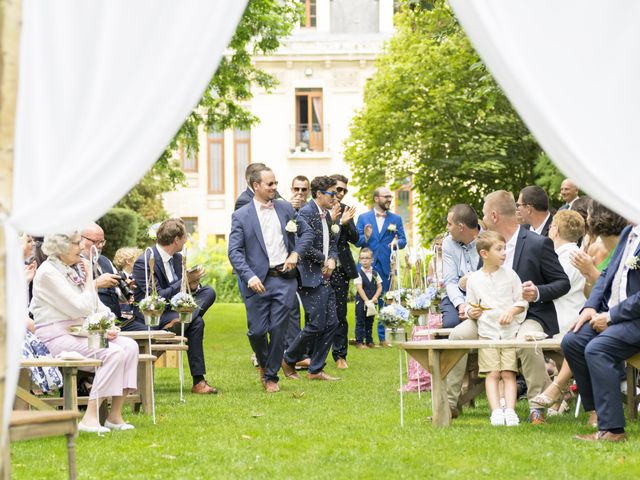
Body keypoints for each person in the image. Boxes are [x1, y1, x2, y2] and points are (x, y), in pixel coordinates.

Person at [445, 190, 570, 423]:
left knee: (527, 341)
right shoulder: (483, 245)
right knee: (457, 336)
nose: (480, 219)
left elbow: (563, 283)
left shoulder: (538, 243)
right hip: (487, 317)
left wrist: (538, 292)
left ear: (493, 215)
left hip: (528, 313)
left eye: (483, 213)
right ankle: (449, 404)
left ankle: (536, 407)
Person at [30, 232, 139, 433]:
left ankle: (115, 416)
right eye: (76, 243)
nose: (81, 247)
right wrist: (90, 278)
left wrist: (109, 324)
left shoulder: (70, 269)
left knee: (130, 346)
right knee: (112, 353)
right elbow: (79, 308)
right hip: (55, 337)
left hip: (80, 332)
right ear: (60, 247)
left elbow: (96, 306)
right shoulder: (48, 273)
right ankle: (90, 417)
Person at [228, 165, 311, 392]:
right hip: (256, 282)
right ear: (256, 186)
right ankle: (264, 364)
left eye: (275, 183)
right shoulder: (241, 215)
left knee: (278, 329)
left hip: (283, 279)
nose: (275, 187)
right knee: (256, 331)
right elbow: (234, 251)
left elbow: (307, 233)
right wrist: (249, 276)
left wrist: (296, 253)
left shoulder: (285, 208)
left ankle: (272, 377)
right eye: (270, 184)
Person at [562, 222, 640, 442]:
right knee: (573, 341)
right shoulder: (629, 231)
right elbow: (607, 274)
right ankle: (597, 415)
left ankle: (613, 430)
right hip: (614, 314)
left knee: (597, 349)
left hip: (633, 319)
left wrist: (611, 316)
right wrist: (590, 307)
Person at [131, 218, 218, 394]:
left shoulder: (178, 258)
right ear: (177, 239)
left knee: (208, 292)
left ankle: (182, 321)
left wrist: (193, 285)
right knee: (197, 323)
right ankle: (198, 382)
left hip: (176, 311)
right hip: (155, 313)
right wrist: (184, 280)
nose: (186, 240)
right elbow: (156, 297)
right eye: (185, 237)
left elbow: (183, 291)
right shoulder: (145, 261)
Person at [282, 176, 341, 381]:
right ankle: (288, 358)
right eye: (332, 193)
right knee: (316, 324)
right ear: (319, 194)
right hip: (308, 276)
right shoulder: (305, 214)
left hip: (326, 275)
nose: (336, 197)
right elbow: (302, 246)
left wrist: (332, 259)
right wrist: (324, 260)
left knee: (332, 323)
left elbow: (333, 242)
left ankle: (315, 369)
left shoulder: (328, 215)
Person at [466, 231, 528, 426]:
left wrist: (511, 311)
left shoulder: (511, 275)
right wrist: (471, 312)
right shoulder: (474, 279)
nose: (504, 253)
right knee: (492, 373)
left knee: (509, 373)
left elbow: (522, 301)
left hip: (509, 334)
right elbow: (470, 304)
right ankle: (496, 412)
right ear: (484, 254)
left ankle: (510, 411)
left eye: (504, 248)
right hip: (487, 334)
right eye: (499, 249)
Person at [531, 210, 586, 414]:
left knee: (532, 342)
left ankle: (557, 391)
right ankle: (561, 393)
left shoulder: (565, 257)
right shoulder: (576, 253)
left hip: (566, 316)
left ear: (554, 230)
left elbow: (554, 289)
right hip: (569, 312)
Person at [356, 187, 407, 346]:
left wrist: (395, 243)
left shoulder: (396, 219)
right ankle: (364, 339)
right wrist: (366, 237)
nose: (389, 199)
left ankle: (383, 338)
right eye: (386, 197)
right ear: (376, 198)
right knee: (363, 301)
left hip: (385, 265)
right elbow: (357, 241)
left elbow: (403, 240)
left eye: (390, 197)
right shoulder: (363, 218)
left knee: (383, 301)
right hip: (365, 266)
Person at [328, 174, 358, 368]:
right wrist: (339, 224)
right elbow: (323, 236)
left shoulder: (347, 209)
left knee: (340, 313)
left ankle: (340, 355)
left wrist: (347, 223)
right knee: (318, 313)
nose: (341, 193)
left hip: (340, 269)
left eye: (344, 191)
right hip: (321, 267)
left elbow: (355, 239)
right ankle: (312, 355)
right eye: (338, 189)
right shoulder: (319, 208)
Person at [570, 200, 628, 297]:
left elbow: (623, 293)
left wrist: (592, 271)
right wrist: (587, 275)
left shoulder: (629, 247)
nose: (586, 219)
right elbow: (588, 296)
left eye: (588, 214)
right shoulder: (594, 249)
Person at [441, 204, 480, 328]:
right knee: (451, 323)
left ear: (461, 227)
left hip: (483, 294)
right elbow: (450, 281)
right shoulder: (448, 243)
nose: (447, 228)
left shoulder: (488, 239)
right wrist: (461, 304)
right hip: (456, 294)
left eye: (449, 224)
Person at [354, 248, 382, 348]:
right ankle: (359, 342)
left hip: (372, 301)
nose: (365, 260)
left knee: (370, 321)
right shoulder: (357, 274)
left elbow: (379, 287)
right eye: (362, 258)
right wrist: (366, 300)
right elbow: (359, 288)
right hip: (362, 301)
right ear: (359, 260)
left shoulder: (375, 273)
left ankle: (369, 341)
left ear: (372, 260)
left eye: (367, 258)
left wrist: (374, 298)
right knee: (360, 321)